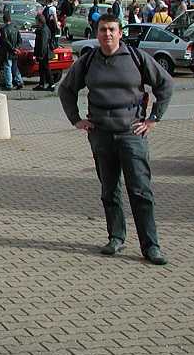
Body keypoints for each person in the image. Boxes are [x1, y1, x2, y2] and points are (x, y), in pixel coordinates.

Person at [58, 14, 173, 265]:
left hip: (132, 134)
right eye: (102, 30)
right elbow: (65, 89)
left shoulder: (136, 58)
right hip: (101, 135)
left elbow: (165, 84)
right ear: (97, 33)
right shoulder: (88, 61)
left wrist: (153, 118)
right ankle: (116, 237)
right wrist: (76, 119)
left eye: (111, 30)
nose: (107, 34)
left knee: (140, 191)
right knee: (109, 190)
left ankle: (151, 246)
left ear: (120, 33)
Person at [0, 12, 24, 90]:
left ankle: (9, 85)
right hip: (15, 51)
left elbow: (5, 41)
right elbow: (20, 40)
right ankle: (19, 81)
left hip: (7, 52)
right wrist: (17, 48)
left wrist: (13, 48)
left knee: (7, 68)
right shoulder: (15, 28)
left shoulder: (3, 29)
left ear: (4, 20)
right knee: (15, 68)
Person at [33, 12, 56, 91]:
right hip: (44, 52)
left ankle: (51, 84)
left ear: (39, 21)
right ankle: (41, 84)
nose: (36, 22)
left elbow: (43, 43)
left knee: (46, 68)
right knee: (42, 68)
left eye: (36, 21)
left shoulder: (43, 30)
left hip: (44, 53)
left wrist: (41, 54)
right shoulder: (44, 28)